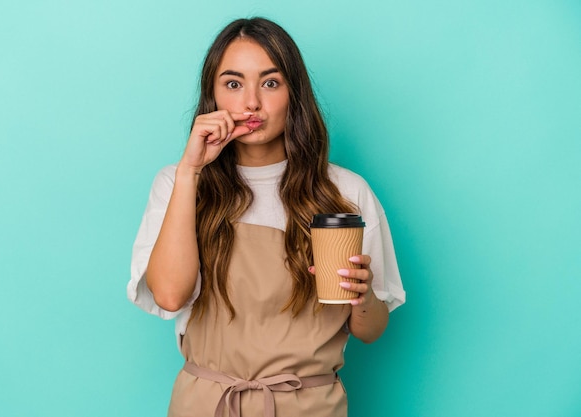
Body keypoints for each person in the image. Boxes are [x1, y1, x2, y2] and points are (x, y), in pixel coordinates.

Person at [128, 17, 405, 417]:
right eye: (233, 84)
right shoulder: (178, 182)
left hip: (309, 406)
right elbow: (169, 296)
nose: (251, 102)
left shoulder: (345, 191)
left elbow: (371, 330)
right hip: (208, 404)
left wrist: (363, 297)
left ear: (294, 93)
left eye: (270, 83)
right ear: (213, 95)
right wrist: (190, 171)